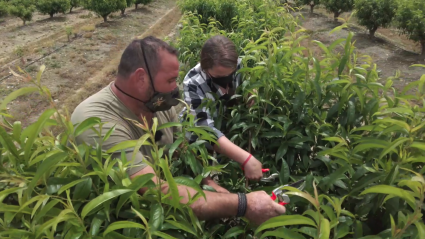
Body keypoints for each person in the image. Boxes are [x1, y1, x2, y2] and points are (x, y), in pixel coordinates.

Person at [71, 36, 286, 226]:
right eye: (170, 80)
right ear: (140, 78)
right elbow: (155, 190)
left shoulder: (161, 104)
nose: (176, 89)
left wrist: (207, 181)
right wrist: (242, 204)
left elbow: (181, 149)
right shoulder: (96, 121)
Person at [180, 35, 262, 184]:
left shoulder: (237, 64)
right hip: (198, 138)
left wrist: (250, 94)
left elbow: (247, 86)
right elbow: (205, 130)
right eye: (219, 76)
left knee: (229, 170)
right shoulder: (193, 82)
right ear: (205, 68)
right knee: (202, 179)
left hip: (228, 127)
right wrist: (246, 158)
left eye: (229, 74)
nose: (226, 79)